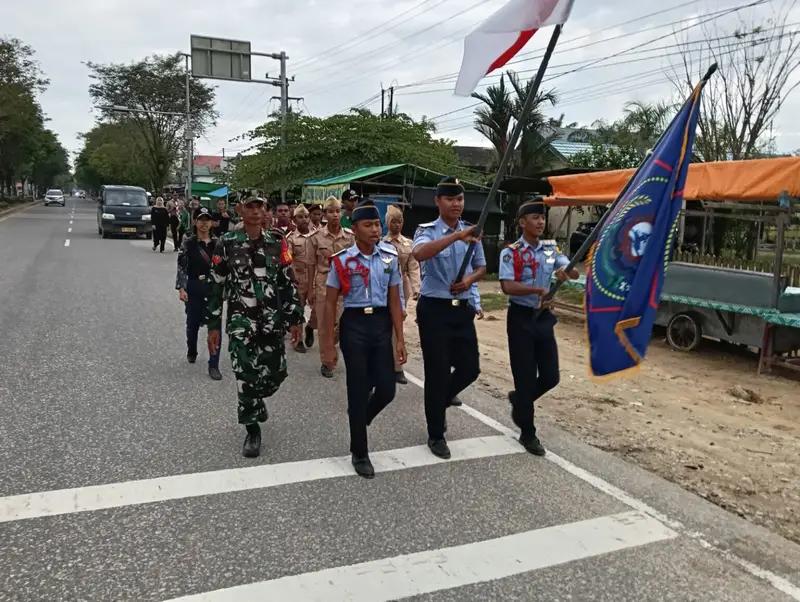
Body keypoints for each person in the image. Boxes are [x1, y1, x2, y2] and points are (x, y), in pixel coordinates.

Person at [206, 196, 304, 458]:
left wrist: (295, 317)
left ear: (266, 211)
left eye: (260, 206)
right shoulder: (226, 243)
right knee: (245, 374)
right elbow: (216, 284)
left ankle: (257, 402)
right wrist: (213, 325)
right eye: (249, 206)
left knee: (275, 375)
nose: (255, 211)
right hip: (241, 321)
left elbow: (287, 281)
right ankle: (252, 429)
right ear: (240, 210)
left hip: (271, 320)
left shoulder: (277, 242)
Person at [322, 200, 406, 478]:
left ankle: (361, 416)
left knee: (387, 389)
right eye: (368, 225)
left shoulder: (389, 257)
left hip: (381, 324)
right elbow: (331, 304)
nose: (374, 230)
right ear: (354, 229)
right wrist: (327, 348)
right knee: (357, 388)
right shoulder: (343, 261)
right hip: (355, 326)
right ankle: (360, 452)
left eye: (376, 224)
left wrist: (400, 339)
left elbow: (395, 299)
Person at [412, 176, 486, 459]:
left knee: (470, 368)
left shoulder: (472, 230)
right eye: (450, 199)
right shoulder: (427, 230)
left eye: (460, 199)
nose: (456, 204)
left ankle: (440, 400)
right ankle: (435, 434)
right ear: (437, 201)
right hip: (435, 310)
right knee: (437, 372)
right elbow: (419, 254)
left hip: (462, 308)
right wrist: (456, 236)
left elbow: (481, 267)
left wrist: (469, 280)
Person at [499, 198, 579, 456]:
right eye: (535, 217)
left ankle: (521, 400)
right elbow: (507, 286)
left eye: (543, 217)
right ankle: (528, 432)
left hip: (543, 317)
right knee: (524, 377)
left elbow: (569, 269)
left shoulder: (550, 248)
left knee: (550, 376)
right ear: (522, 222)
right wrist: (538, 289)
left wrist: (568, 272)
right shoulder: (511, 252)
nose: (541, 221)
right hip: (521, 318)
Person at [308, 195, 354, 378]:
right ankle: (328, 361)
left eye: (337, 211)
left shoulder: (350, 237)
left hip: (343, 286)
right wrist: (310, 289)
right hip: (323, 284)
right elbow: (311, 264)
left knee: (343, 324)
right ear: (325, 215)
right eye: (331, 212)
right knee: (326, 325)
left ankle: (331, 347)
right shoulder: (316, 237)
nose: (335, 215)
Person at [176, 207, 222, 380]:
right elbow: (181, 266)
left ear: (211, 223)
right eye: (201, 220)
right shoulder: (188, 242)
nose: (204, 223)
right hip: (194, 286)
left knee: (215, 326)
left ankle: (214, 364)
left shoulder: (218, 243)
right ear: (195, 222)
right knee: (192, 324)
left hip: (214, 289)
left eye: (207, 220)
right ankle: (192, 349)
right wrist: (182, 288)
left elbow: (224, 267)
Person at [382, 204, 421, 384]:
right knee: (385, 324)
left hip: (402, 286)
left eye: (399, 222)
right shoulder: (382, 244)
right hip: (385, 287)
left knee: (398, 324)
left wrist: (417, 289)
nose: (396, 225)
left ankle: (397, 368)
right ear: (387, 223)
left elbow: (413, 267)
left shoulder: (408, 244)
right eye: (393, 222)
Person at [286, 205, 317, 352]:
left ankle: (311, 326)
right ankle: (298, 340)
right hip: (298, 279)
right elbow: (287, 259)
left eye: (306, 216)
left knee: (319, 310)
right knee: (297, 311)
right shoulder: (291, 238)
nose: (304, 220)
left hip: (316, 279)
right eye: (300, 217)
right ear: (294, 220)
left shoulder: (317, 236)